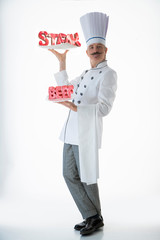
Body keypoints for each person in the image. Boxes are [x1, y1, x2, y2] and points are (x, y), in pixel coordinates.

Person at [49, 12, 117, 236]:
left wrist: (78, 108)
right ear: (87, 52)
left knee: (87, 176)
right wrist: (62, 62)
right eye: (91, 48)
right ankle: (93, 215)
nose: (95, 50)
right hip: (69, 132)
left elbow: (105, 108)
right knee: (69, 174)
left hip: (86, 132)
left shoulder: (109, 74)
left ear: (105, 50)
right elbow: (66, 88)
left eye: (99, 47)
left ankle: (93, 217)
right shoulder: (86, 72)